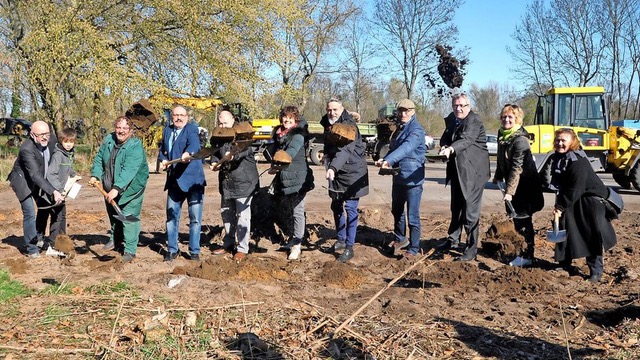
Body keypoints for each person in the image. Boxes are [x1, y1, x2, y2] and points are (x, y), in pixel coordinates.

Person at [544, 128, 617, 282]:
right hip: (573, 198)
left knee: (591, 234)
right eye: (557, 140)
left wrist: (561, 206)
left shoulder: (578, 160)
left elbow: (576, 187)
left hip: (590, 200)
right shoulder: (558, 158)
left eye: (564, 140)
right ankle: (564, 263)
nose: (560, 143)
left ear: (573, 142)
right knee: (565, 227)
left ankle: (595, 271)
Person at [89, 116, 149, 263]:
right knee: (114, 216)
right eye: (118, 127)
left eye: (125, 128)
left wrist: (116, 189)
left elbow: (129, 170)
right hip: (110, 187)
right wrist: (95, 175)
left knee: (129, 217)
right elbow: (98, 159)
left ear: (130, 130)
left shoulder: (135, 146)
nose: (121, 131)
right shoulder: (109, 140)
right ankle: (115, 239)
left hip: (131, 189)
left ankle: (130, 250)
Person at [439, 93, 490, 261]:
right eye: (455, 106)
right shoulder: (453, 121)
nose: (458, 108)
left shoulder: (473, 121)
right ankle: (453, 240)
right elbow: (445, 138)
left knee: (470, 212)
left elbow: (466, 140)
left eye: (462, 105)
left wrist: (451, 149)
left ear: (469, 106)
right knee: (456, 208)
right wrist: (444, 146)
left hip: (474, 173)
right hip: (458, 172)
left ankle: (471, 248)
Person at [492, 104, 544, 267]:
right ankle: (521, 252)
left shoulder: (521, 140)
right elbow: (502, 160)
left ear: (517, 119)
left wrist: (509, 192)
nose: (506, 120)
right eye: (504, 117)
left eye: (510, 117)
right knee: (517, 220)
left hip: (526, 186)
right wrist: (498, 176)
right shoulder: (503, 135)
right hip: (515, 186)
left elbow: (517, 168)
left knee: (523, 221)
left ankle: (528, 255)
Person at [375, 99, 426, 259]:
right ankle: (400, 239)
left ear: (413, 112)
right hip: (398, 177)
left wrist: (389, 161)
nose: (403, 114)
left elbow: (407, 147)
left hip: (413, 179)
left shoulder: (416, 130)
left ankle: (414, 247)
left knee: (412, 216)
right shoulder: (399, 128)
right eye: (401, 111)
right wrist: (384, 159)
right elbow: (394, 148)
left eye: (407, 111)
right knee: (397, 211)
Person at [321, 98, 369, 263]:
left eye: (335, 110)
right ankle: (341, 240)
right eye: (329, 110)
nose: (331, 113)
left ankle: (349, 247)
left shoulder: (349, 127)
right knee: (336, 205)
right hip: (336, 171)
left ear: (342, 109)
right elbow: (329, 142)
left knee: (350, 208)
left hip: (352, 172)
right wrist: (327, 154)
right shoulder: (329, 123)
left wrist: (332, 168)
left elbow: (346, 150)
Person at [8, 121, 64, 257]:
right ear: (32, 135)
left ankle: (39, 237)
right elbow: (35, 175)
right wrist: (54, 191)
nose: (45, 137)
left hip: (40, 180)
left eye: (47, 134)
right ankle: (32, 249)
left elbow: (61, 155)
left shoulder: (51, 141)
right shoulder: (26, 149)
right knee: (29, 213)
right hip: (23, 182)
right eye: (41, 135)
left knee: (45, 207)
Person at [158, 106, 206, 262]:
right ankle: (172, 250)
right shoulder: (167, 130)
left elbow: (194, 145)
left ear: (187, 117)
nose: (179, 118)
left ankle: (194, 252)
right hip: (174, 182)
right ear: (171, 117)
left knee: (195, 219)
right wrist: (163, 159)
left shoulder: (191, 129)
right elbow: (162, 150)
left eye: (182, 115)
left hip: (193, 182)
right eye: (176, 115)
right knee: (171, 217)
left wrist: (188, 153)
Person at [267, 105, 314, 260]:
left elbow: (289, 154)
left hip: (298, 179)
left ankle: (297, 244)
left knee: (297, 211)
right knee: (287, 210)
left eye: (290, 118)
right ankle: (293, 238)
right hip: (284, 178)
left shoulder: (298, 135)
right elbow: (270, 152)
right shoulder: (278, 134)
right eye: (284, 118)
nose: (286, 120)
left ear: (295, 120)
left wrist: (276, 165)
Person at [211, 110, 259, 262]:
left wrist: (232, 155)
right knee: (227, 214)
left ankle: (242, 248)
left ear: (233, 120)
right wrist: (213, 161)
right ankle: (228, 244)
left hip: (244, 183)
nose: (223, 126)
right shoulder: (219, 135)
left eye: (225, 123)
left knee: (242, 217)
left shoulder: (243, 135)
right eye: (220, 123)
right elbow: (214, 151)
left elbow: (242, 151)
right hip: (227, 183)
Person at [37, 127, 80, 245]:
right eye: (66, 141)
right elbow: (51, 175)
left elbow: (68, 167)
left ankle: (61, 240)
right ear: (61, 141)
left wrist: (73, 175)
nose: (68, 145)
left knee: (62, 216)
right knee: (52, 217)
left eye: (71, 142)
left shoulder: (69, 153)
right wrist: (59, 190)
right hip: (52, 192)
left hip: (61, 191)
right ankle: (50, 242)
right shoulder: (58, 155)